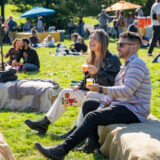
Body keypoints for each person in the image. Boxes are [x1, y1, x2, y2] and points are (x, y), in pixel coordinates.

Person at [34, 31, 151, 159]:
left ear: (133, 47)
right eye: (117, 44)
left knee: (92, 116)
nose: (117, 47)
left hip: (134, 111)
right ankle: (91, 144)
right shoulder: (126, 66)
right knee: (89, 105)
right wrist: (103, 104)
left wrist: (101, 88)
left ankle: (61, 150)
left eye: (121, 45)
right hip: (123, 105)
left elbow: (126, 91)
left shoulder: (136, 64)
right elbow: (115, 90)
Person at [24, 30, 121, 136]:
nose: (91, 40)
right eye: (90, 38)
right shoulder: (91, 58)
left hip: (105, 97)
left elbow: (113, 82)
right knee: (66, 93)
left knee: (88, 96)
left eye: (95, 38)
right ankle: (44, 123)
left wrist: (98, 72)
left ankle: (76, 131)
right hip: (90, 93)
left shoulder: (112, 59)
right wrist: (79, 85)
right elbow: (88, 80)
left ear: (102, 42)